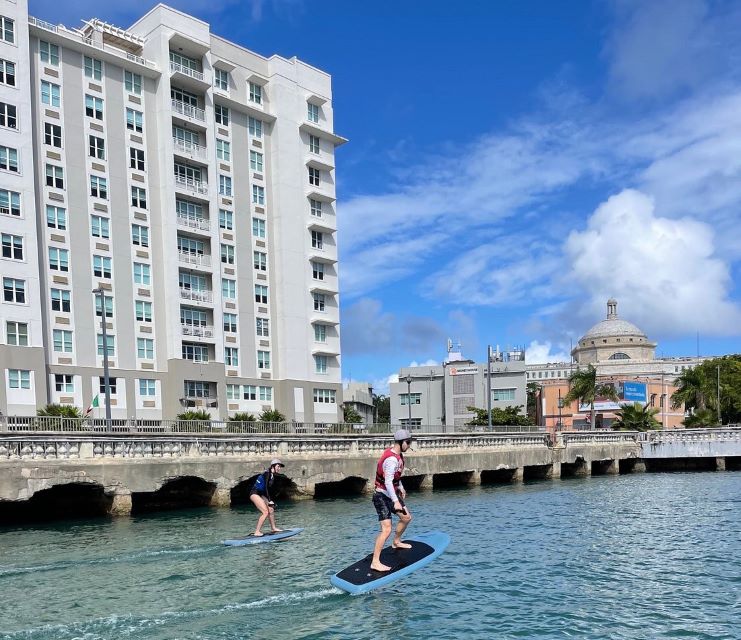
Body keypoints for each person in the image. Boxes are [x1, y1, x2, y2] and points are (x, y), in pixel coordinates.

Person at [370, 429, 413, 572]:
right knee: (386, 529)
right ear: (401, 443)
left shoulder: (398, 455)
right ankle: (375, 562)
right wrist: (396, 501)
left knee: (406, 518)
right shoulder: (391, 459)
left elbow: (395, 477)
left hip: (391, 494)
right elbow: (388, 481)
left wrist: (401, 487)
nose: (409, 445)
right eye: (408, 442)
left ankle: (396, 542)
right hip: (381, 496)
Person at [250, 458, 285, 536]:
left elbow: (267, 490)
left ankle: (273, 528)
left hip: (261, 494)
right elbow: (265, 487)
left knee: (271, 509)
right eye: (278, 466)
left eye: (280, 467)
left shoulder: (272, 475)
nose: (279, 468)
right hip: (254, 493)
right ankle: (257, 532)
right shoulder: (267, 473)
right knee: (265, 512)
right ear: (273, 466)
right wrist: (269, 500)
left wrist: (270, 501)